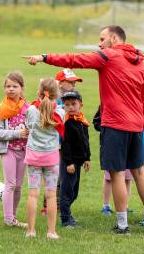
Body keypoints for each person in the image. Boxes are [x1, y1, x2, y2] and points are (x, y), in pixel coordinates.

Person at [24, 25, 144, 234]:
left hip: (115, 124)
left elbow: (75, 59)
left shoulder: (108, 56)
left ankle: (122, 224)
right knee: (139, 171)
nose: (99, 43)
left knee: (116, 174)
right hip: (135, 125)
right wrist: (141, 124)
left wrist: (44, 57)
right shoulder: (142, 62)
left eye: (102, 38)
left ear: (114, 39)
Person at [24, 78, 65, 240]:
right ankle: (51, 231)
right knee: (51, 195)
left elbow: (28, 126)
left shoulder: (31, 110)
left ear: (39, 93)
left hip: (33, 156)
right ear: (57, 94)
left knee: (33, 194)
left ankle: (31, 231)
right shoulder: (60, 112)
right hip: (51, 158)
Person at [41, 69, 83, 216]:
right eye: (70, 82)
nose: (73, 85)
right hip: (55, 145)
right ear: (59, 83)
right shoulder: (54, 102)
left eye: (75, 82)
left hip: (66, 145)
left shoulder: (72, 100)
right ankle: (48, 206)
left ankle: (58, 204)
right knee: (54, 176)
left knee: (63, 177)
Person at [0, 71, 29, 228]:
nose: (11, 89)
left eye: (15, 86)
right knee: (11, 184)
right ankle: (8, 220)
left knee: (19, 186)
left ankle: (13, 217)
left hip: (25, 151)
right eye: (8, 86)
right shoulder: (1, 109)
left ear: (21, 88)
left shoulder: (28, 108)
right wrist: (17, 133)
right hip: (8, 150)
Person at [59, 90, 91, 228]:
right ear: (64, 107)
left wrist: (87, 158)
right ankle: (65, 220)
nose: (71, 107)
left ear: (80, 105)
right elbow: (65, 145)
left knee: (74, 192)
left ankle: (67, 214)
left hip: (78, 162)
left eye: (74, 104)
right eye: (67, 105)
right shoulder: (67, 123)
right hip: (69, 163)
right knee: (67, 191)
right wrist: (69, 163)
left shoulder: (82, 121)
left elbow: (86, 141)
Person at [93, 106, 133, 216]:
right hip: (111, 146)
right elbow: (96, 122)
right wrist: (107, 131)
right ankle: (106, 206)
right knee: (109, 177)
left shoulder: (132, 102)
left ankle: (125, 205)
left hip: (128, 147)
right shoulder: (107, 103)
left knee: (128, 178)